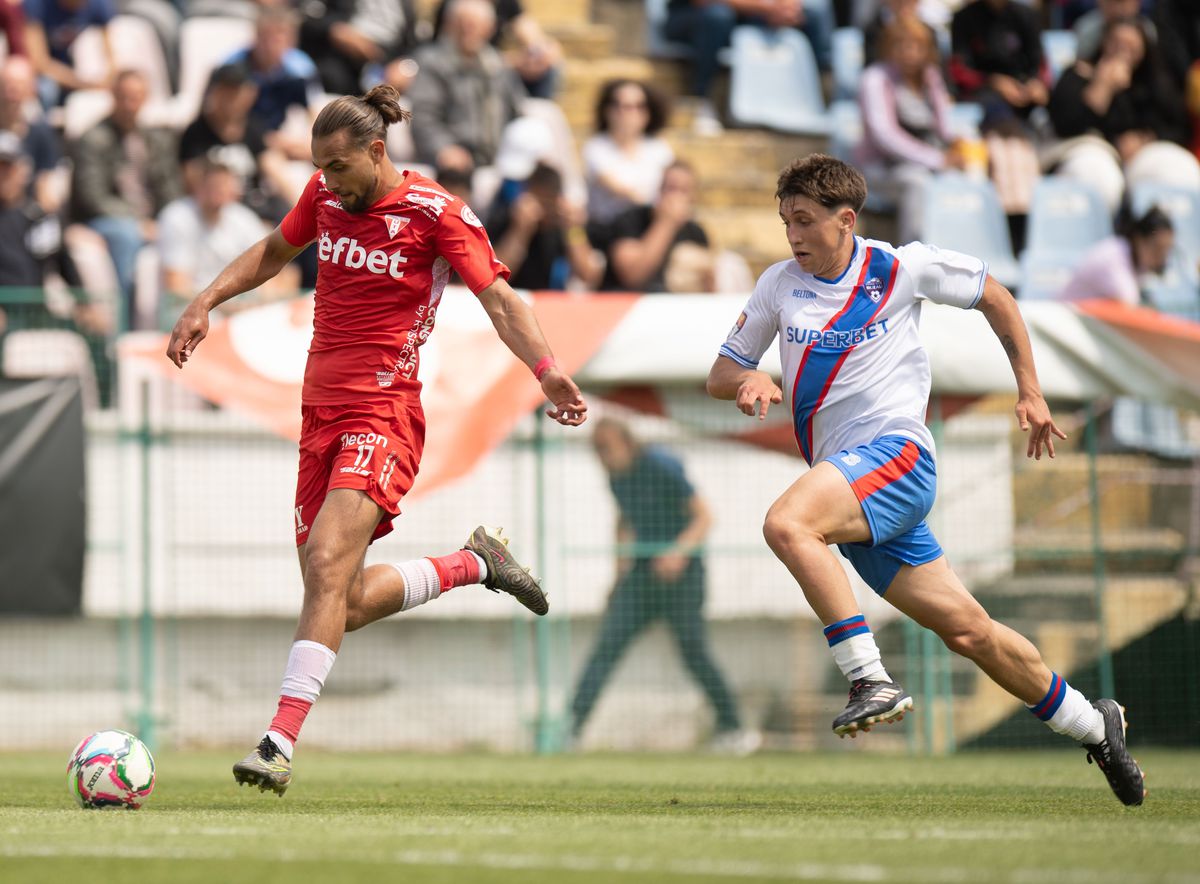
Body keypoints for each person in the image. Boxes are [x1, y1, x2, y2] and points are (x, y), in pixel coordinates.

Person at [164, 84, 588, 796]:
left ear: (377, 151)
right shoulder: (326, 198)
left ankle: (277, 743)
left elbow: (500, 299)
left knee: (328, 560)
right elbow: (274, 249)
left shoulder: (436, 214)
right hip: (319, 418)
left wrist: (546, 372)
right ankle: (473, 563)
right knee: (342, 600)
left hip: (384, 414)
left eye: (337, 166)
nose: (327, 182)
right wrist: (205, 301)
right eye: (319, 168)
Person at [707, 153, 1145, 807]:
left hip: (897, 459)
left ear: (845, 219)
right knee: (970, 632)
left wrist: (1030, 390)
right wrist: (748, 378)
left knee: (787, 523)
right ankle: (1093, 723)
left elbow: (996, 295)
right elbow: (720, 371)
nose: (792, 235)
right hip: (852, 489)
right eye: (784, 221)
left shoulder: (900, 267)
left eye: (803, 220)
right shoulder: (779, 285)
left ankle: (867, 679)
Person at [569, 417, 754, 753]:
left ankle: (734, 729)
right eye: (597, 451)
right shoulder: (616, 478)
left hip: (682, 576)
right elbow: (625, 522)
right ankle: (570, 729)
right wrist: (619, 573)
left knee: (693, 651)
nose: (602, 457)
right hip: (641, 577)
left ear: (626, 442)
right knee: (606, 648)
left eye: (606, 449)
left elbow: (704, 516)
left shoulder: (660, 465)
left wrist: (678, 552)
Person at [1048, 18, 1199, 215]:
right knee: (1097, 177)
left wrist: (1145, 138)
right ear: (1104, 43)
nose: (1123, 52)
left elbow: (1178, 126)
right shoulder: (1079, 74)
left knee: (1178, 172)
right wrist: (1102, 87)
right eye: (1117, 44)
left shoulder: (1156, 80)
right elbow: (1065, 124)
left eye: (1131, 46)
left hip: (1144, 156)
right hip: (1094, 151)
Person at [69, 69, 182, 328]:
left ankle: (173, 326)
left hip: (149, 220)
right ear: (114, 96)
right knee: (125, 235)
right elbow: (92, 196)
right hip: (108, 219)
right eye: (125, 97)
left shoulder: (153, 138)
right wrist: (138, 222)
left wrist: (171, 217)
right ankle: (124, 326)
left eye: (137, 97)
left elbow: (169, 186)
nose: (131, 104)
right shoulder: (93, 138)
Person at [857, 15, 962, 244]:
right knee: (917, 182)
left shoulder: (931, 77)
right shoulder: (874, 79)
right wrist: (936, 159)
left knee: (968, 179)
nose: (909, 51)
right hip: (881, 169)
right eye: (901, 44)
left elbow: (944, 126)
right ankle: (914, 257)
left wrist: (960, 148)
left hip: (927, 162)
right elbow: (884, 136)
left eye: (917, 45)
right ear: (888, 47)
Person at [663, 0, 835, 135]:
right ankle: (701, 100)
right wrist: (766, 9)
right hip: (692, 16)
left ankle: (816, 99)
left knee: (813, 18)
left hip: (748, 14)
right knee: (717, 16)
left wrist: (786, 9)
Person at [408, 0, 527, 175]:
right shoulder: (432, 63)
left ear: (490, 29)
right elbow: (424, 117)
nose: (468, 31)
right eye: (462, 24)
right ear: (449, 25)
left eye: (475, 25)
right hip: (452, 162)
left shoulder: (498, 66)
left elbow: (518, 113)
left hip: (497, 158)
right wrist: (444, 148)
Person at [582, 79, 674, 249]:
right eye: (619, 105)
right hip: (610, 233)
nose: (626, 112)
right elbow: (618, 188)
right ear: (607, 110)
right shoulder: (596, 148)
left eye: (637, 106)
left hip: (649, 229)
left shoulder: (660, 149)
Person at [487, 162, 602, 291]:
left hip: (550, 302)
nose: (543, 210)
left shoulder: (563, 224)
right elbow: (494, 277)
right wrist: (520, 230)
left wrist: (573, 229)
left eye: (548, 203)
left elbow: (588, 275)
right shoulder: (506, 219)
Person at [602, 160, 711, 292]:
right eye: (671, 188)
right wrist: (666, 223)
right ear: (659, 190)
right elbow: (633, 276)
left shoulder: (696, 233)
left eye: (684, 191)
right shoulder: (631, 220)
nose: (676, 197)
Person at [1058, 205, 1175, 306]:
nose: (1162, 257)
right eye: (1157, 248)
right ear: (1138, 239)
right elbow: (1130, 308)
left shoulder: (1135, 260)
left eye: (1167, 250)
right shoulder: (1113, 259)